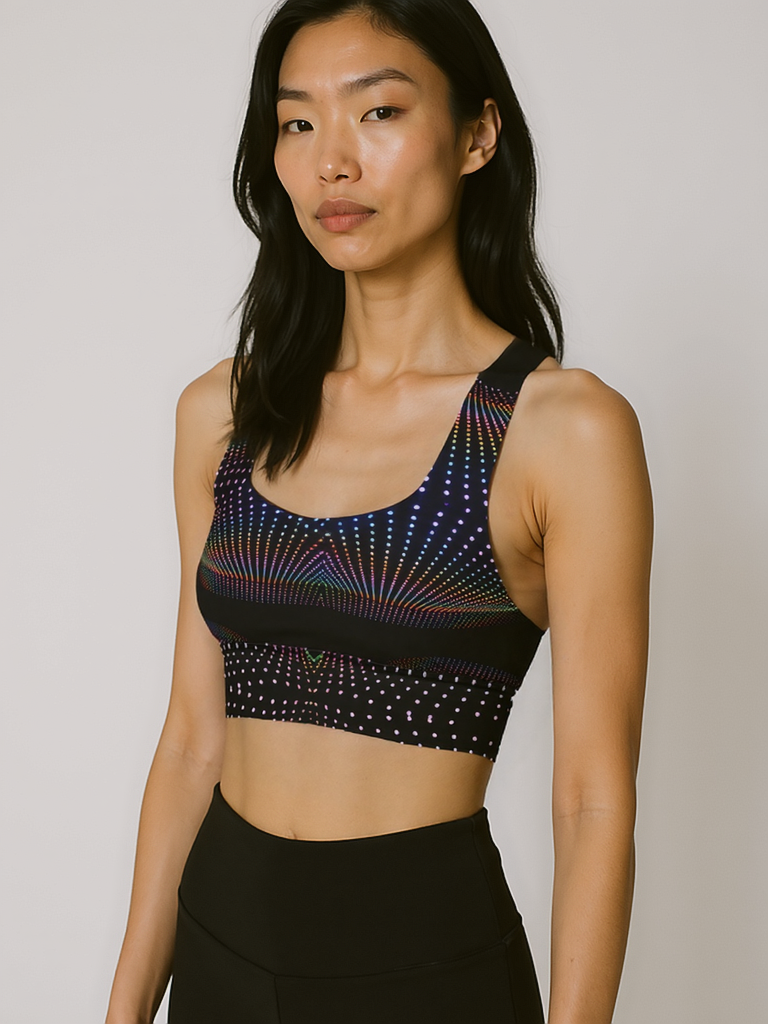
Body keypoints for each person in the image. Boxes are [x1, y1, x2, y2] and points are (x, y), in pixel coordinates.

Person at [105, 1, 652, 1022]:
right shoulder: (226, 414)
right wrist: (124, 1008)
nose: (331, 163)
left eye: (379, 112)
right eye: (298, 122)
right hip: (220, 945)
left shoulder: (560, 431)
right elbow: (191, 739)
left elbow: (592, 799)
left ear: (479, 133)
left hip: (425, 969)